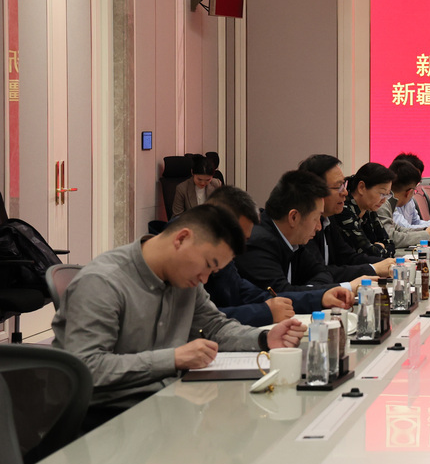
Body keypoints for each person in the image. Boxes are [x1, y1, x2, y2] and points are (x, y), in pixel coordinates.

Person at [51, 205, 307, 420]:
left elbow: (215, 326)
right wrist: (172, 359)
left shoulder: (185, 279)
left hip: (167, 406)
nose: (204, 278)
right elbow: (87, 367)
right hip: (106, 419)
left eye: (213, 272)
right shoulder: (103, 282)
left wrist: (264, 338)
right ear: (181, 239)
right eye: (207, 265)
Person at [204, 185, 352, 326]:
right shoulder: (259, 242)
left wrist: (321, 298)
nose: (239, 250)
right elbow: (202, 318)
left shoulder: (226, 262)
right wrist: (265, 312)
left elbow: (260, 296)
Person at [235, 170, 365, 299]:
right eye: (316, 218)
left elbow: (322, 273)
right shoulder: (257, 243)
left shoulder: (294, 240)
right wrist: (338, 290)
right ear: (294, 217)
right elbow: (280, 295)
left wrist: (309, 291)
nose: (319, 227)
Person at [297, 154, 395, 280]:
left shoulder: (328, 219)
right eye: (338, 187)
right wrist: (374, 269)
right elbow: (318, 272)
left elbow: (348, 257)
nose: (345, 192)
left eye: (344, 185)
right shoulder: (303, 225)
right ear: (315, 190)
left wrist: (389, 264)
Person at [334, 162, 396, 259]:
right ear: (361, 187)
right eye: (382, 194)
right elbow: (368, 253)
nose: (384, 200)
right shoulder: (343, 210)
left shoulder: (369, 210)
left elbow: (390, 244)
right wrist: (380, 247)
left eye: (387, 195)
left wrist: (379, 248)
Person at [377, 160, 430, 248]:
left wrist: (428, 229)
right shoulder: (382, 204)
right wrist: (427, 234)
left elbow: (399, 229)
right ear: (409, 192)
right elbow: (392, 238)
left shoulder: (391, 202)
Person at [389, 152, 430, 228]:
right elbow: (405, 228)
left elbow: (416, 223)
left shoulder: (409, 199)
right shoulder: (388, 202)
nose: (416, 184)